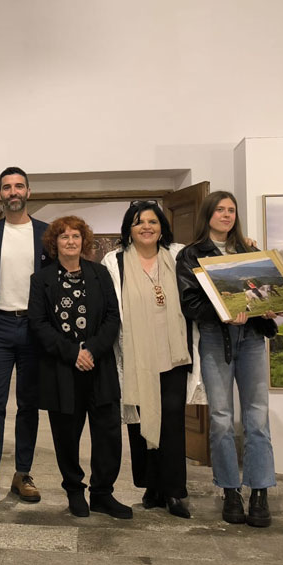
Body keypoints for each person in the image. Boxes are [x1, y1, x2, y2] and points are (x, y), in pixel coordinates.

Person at [177, 190, 278, 528]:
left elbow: (263, 294)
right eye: (219, 209)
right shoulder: (191, 255)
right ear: (208, 214)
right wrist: (224, 312)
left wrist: (268, 309)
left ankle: (260, 490)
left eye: (231, 210)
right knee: (221, 419)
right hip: (215, 339)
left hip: (251, 339)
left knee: (257, 417)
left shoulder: (250, 252)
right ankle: (230, 490)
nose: (226, 215)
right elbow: (190, 304)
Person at [102, 201, 199, 519]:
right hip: (135, 354)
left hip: (173, 352)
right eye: (138, 222)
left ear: (161, 227)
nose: (146, 226)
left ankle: (174, 491)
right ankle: (152, 486)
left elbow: (213, 260)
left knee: (172, 421)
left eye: (152, 221)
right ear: (128, 230)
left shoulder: (178, 255)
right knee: (142, 422)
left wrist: (245, 245)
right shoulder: (114, 261)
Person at [28, 216, 128, 518]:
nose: (70, 241)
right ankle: (74, 490)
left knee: (108, 433)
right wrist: (74, 353)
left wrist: (91, 350)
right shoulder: (41, 280)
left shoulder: (100, 274)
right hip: (62, 368)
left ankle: (102, 494)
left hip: (99, 365)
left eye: (75, 236)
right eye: (64, 237)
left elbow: (112, 317)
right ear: (54, 243)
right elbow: (38, 324)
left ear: (84, 241)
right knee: (66, 435)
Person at [0, 167, 51, 510]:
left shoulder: (46, 234)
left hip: (34, 328)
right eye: (6, 187)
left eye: (19, 186)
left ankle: (23, 474)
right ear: (0, 194)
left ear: (28, 192)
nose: (13, 192)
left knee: (29, 406)